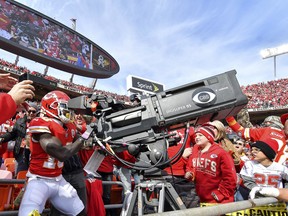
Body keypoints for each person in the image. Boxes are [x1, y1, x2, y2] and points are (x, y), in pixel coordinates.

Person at [18, 90, 89, 216]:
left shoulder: (70, 126)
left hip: (59, 180)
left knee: (80, 211)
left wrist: (94, 134)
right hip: (39, 181)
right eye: (64, 106)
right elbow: (61, 153)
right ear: (50, 107)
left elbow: (84, 143)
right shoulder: (41, 122)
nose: (68, 111)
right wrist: (85, 137)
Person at [184, 124, 237, 204]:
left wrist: (221, 194)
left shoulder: (221, 153)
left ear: (208, 137)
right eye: (196, 135)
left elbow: (230, 177)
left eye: (200, 135)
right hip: (202, 198)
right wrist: (189, 173)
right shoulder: (195, 150)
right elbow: (190, 166)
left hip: (220, 200)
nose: (197, 137)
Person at [0, 102, 39, 175]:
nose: (31, 113)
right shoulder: (20, 122)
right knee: (20, 175)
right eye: (29, 111)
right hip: (21, 154)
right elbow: (12, 134)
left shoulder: (40, 124)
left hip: (34, 155)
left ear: (36, 113)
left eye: (33, 111)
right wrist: (2, 138)